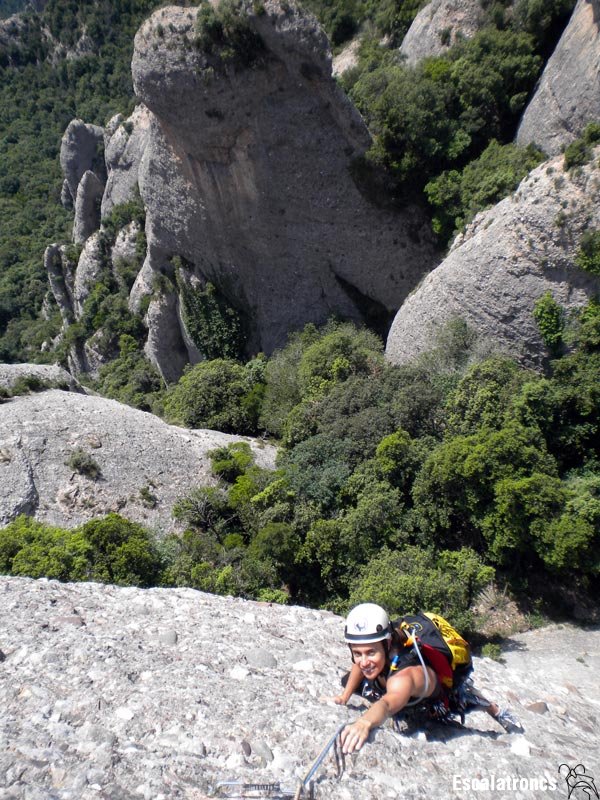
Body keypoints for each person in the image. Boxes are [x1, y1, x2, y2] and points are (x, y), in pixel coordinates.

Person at [329, 603, 523, 754]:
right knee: (351, 681)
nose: (363, 661)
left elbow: (387, 704)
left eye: (370, 652)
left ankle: (491, 707)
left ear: (387, 644)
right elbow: (362, 659)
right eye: (357, 653)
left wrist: (365, 722)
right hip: (397, 681)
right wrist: (344, 696)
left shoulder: (404, 676)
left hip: (436, 695)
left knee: (455, 703)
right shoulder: (380, 644)